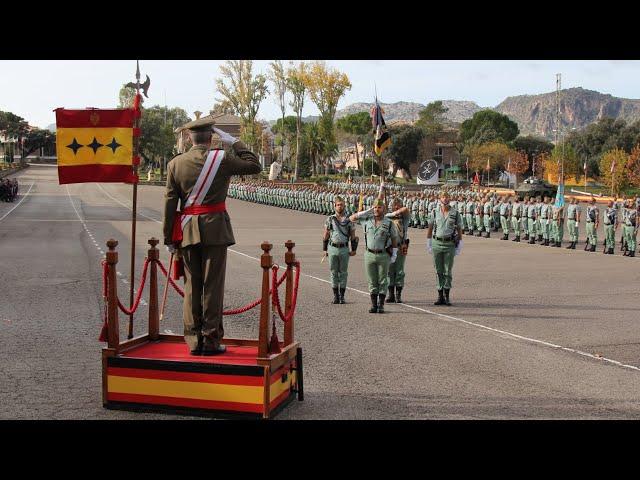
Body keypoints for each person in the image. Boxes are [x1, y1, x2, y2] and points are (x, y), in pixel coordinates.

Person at [163, 117, 261, 356]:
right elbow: (254, 165)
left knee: (191, 287)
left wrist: (168, 237)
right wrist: (236, 142)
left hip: (187, 231)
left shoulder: (176, 164)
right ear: (212, 137)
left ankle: (194, 341)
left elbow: (169, 203)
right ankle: (211, 340)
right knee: (212, 287)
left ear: (189, 137)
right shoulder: (222, 158)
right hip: (215, 229)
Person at [350, 194, 399, 314]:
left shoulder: (389, 223)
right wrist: (367, 211)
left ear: (384, 209)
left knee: (382, 280)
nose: (377, 209)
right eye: (375, 207)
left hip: (383, 255)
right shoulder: (367, 220)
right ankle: (373, 304)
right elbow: (351, 218)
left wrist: (395, 253)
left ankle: (381, 304)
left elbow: (394, 238)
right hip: (369, 254)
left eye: (379, 207)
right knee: (372, 280)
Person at [426, 191, 463, 306]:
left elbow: (459, 229)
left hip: (449, 244)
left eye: (447, 197)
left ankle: (447, 296)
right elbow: (430, 227)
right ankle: (440, 295)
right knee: (438, 270)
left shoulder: (455, 213)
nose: (445, 199)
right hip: (437, 242)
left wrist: (460, 243)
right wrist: (428, 242)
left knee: (447, 270)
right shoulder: (434, 212)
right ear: (440, 198)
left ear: (450, 199)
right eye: (443, 197)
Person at [323, 196, 357, 304]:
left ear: (344, 206)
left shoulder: (349, 220)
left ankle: (342, 296)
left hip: (344, 249)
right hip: (332, 248)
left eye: (341, 205)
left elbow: (353, 235)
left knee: (343, 273)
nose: (340, 207)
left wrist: (354, 249)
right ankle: (335, 296)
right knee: (333, 272)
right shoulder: (330, 219)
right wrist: (324, 249)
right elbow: (326, 235)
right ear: (334, 206)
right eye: (338, 205)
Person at [385, 196, 411, 304]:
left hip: (401, 246)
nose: (396, 207)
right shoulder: (387, 218)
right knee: (389, 271)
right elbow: (385, 215)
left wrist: (397, 212)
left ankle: (398, 295)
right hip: (390, 248)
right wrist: (392, 214)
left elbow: (406, 210)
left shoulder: (404, 219)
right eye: (394, 205)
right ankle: (391, 295)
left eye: (398, 205)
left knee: (399, 271)